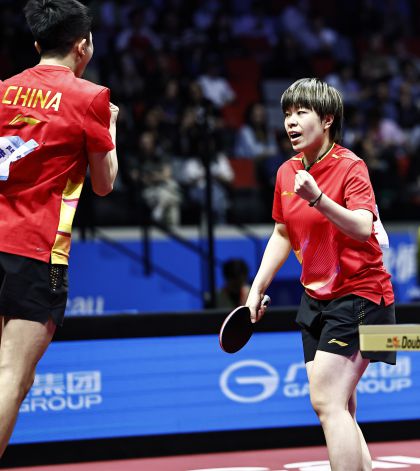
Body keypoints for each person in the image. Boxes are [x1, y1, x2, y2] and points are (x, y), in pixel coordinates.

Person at [246, 78, 395, 471]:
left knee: (328, 402)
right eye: (287, 114)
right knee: (338, 406)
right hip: (315, 301)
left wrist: (318, 198)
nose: (291, 122)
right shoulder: (286, 173)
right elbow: (282, 233)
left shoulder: (351, 166)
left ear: (327, 119)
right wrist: (256, 288)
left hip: (361, 297)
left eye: (301, 112)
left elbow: (362, 226)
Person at [0, 0, 118, 457]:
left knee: (17, 378)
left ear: (37, 44)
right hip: (37, 252)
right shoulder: (91, 97)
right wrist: (110, 128)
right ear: (82, 45)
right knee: (12, 375)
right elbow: (104, 184)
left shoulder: (4, 90)